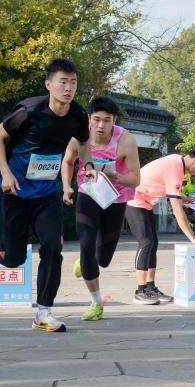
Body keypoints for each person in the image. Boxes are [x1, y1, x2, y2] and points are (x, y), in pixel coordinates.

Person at [0, 59, 89, 332]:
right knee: (13, 259)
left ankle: (44, 312)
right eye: (62, 82)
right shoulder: (30, 110)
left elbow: (84, 142)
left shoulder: (78, 114)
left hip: (47, 194)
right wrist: (5, 173)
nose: (68, 88)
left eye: (73, 83)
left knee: (53, 248)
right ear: (48, 84)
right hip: (14, 191)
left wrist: (88, 166)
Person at [61, 96, 142, 322]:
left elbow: (136, 179)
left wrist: (117, 177)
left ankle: (86, 262)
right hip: (88, 194)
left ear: (114, 120)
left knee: (103, 259)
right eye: (96, 119)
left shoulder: (126, 140)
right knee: (86, 245)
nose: (100, 126)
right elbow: (67, 161)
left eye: (107, 120)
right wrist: (66, 186)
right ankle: (96, 302)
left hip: (115, 199)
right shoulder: (79, 136)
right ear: (89, 118)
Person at [124, 146, 195, 304]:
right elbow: (177, 210)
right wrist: (193, 238)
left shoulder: (177, 162)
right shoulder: (176, 168)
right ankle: (140, 291)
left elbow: (165, 188)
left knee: (153, 243)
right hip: (133, 199)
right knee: (145, 242)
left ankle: (150, 288)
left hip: (145, 202)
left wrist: (182, 198)